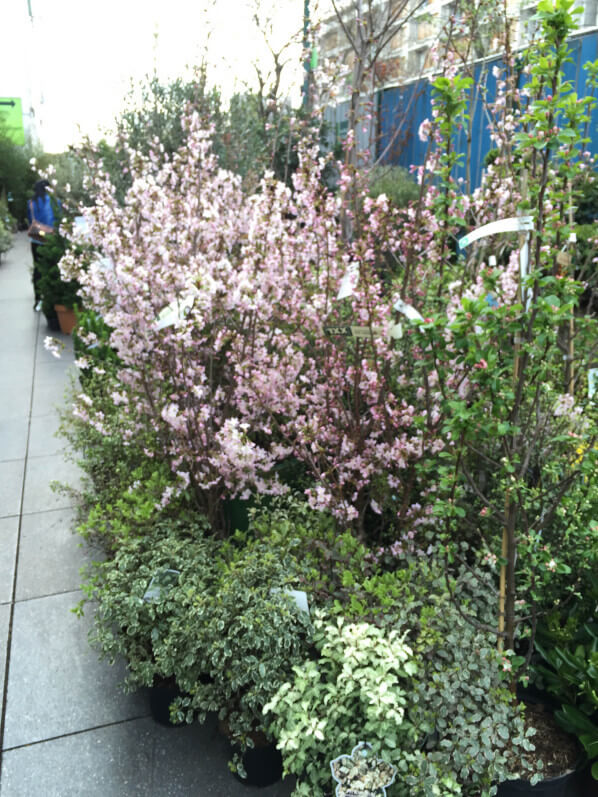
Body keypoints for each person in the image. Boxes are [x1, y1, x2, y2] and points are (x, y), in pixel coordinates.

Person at [27, 179, 60, 309]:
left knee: (38, 269)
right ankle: (52, 300)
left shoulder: (30, 203)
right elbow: (58, 219)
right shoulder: (55, 202)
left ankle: (38, 300)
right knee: (52, 267)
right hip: (51, 240)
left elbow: (30, 221)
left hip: (37, 239)